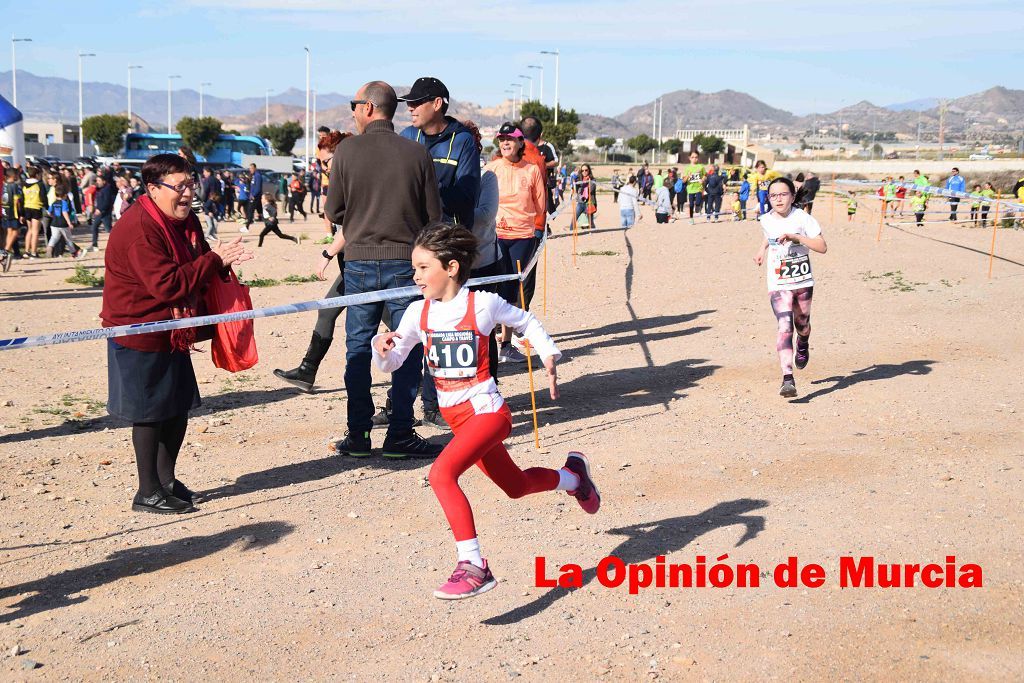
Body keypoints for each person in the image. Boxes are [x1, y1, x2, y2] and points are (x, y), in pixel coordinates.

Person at [372, 223, 600, 600]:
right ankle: (574, 478)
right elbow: (394, 362)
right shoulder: (417, 313)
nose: (416, 276)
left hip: (489, 413)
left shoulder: (482, 304)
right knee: (516, 486)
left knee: (441, 474)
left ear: (451, 268)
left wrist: (548, 353)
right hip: (458, 420)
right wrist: (381, 350)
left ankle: (474, 565)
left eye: (423, 267)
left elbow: (525, 321)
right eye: (414, 268)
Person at [100, 153, 252, 514]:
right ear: (153, 189)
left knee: (177, 408)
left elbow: (196, 263)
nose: (187, 193)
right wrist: (214, 260)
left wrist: (220, 265)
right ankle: (147, 491)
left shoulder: (187, 221)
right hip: (139, 330)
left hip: (174, 330)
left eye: (190, 184)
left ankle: (167, 481)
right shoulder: (139, 229)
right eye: (178, 186)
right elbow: (167, 285)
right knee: (151, 413)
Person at [323, 80, 443, 459]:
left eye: (355, 104)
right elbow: (434, 216)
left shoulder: (345, 153)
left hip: (358, 263)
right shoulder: (416, 153)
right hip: (404, 264)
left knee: (358, 349)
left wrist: (360, 222)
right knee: (406, 348)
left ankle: (358, 435)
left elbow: (333, 211)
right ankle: (400, 433)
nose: (353, 111)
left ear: (370, 108)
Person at [398, 77, 481, 430]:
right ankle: (399, 404)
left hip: (445, 249)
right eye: (407, 103)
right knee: (406, 325)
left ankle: (436, 404)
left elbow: (467, 199)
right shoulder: (405, 138)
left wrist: (426, 182)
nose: (410, 108)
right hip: (406, 247)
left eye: (417, 102)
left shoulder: (462, 142)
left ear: (439, 104)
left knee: (442, 328)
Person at [274, 131, 352, 392]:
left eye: (326, 161)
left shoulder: (354, 179)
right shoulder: (340, 181)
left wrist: (326, 255)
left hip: (362, 266)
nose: (323, 167)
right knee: (327, 311)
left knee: (398, 322)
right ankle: (307, 372)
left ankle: (427, 373)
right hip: (351, 266)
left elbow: (351, 226)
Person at [752, 177, 828, 399]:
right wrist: (761, 250)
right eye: (773, 195)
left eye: (783, 194)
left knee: (801, 326)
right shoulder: (765, 219)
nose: (778, 199)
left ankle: (803, 342)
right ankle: (788, 379)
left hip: (803, 282)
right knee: (784, 326)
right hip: (778, 283)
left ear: (792, 196)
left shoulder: (804, 219)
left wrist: (796, 237)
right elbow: (769, 235)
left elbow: (822, 247)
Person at [484, 122, 546, 364]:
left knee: (512, 288)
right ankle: (488, 343)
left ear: (521, 142)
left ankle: (506, 344)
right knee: (492, 289)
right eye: (502, 139)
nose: (505, 143)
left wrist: (537, 229)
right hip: (495, 236)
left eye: (510, 139)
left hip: (522, 237)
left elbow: (540, 205)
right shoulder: (491, 169)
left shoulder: (531, 170)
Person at [21, 167, 46, 259]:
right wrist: (46, 206)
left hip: (27, 207)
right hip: (36, 207)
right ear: (37, 175)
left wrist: (21, 213)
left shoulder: (24, 184)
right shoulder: (39, 184)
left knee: (30, 230)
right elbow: (43, 197)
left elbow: (22, 198)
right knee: (35, 231)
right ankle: (34, 252)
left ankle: (26, 251)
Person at [1, 168, 23, 270]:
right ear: (14, 176)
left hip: (5, 211)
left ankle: (6, 252)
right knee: (16, 232)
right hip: (13, 212)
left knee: (9, 232)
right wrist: (21, 213)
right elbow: (17, 200)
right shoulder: (15, 186)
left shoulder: (4, 185)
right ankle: (6, 251)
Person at [683, 151, 705, 224]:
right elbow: (683, 181)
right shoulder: (687, 168)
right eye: (692, 157)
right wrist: (688, 176)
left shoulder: (701, 167)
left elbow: (705, 175)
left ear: (698, 158)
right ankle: (691, 218)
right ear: (689, 158)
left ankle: (698, 206)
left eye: (696, 157)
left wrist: (702, 179)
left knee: (698, 202)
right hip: (690, 188)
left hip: (698, 188)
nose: (694, 159)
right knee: (691, 204)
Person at [575, 164, 598, 231]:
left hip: (589, 202)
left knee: (591, 222)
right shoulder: (579, 180)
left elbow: (591, 189)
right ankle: (571, 232)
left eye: (586, 170)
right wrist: (578, 183)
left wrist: (586, 182)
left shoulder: (593, 180)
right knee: (573, 221)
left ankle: (593, 233)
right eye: (582, 170)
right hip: (580, 202)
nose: (584, 172)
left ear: (589, 170)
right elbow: (578, 191)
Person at [245, 163, 264, 230]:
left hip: (255, 196)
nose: (250, 170)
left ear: (255, 168)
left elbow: (258, 188)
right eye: (250, 168)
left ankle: (246, 226)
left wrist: (253, 195)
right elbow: (252, 186)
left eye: (252, 168)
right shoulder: (253, 176)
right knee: (257, 209)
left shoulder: (257, 176)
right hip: (252, 195)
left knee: (250, 210)